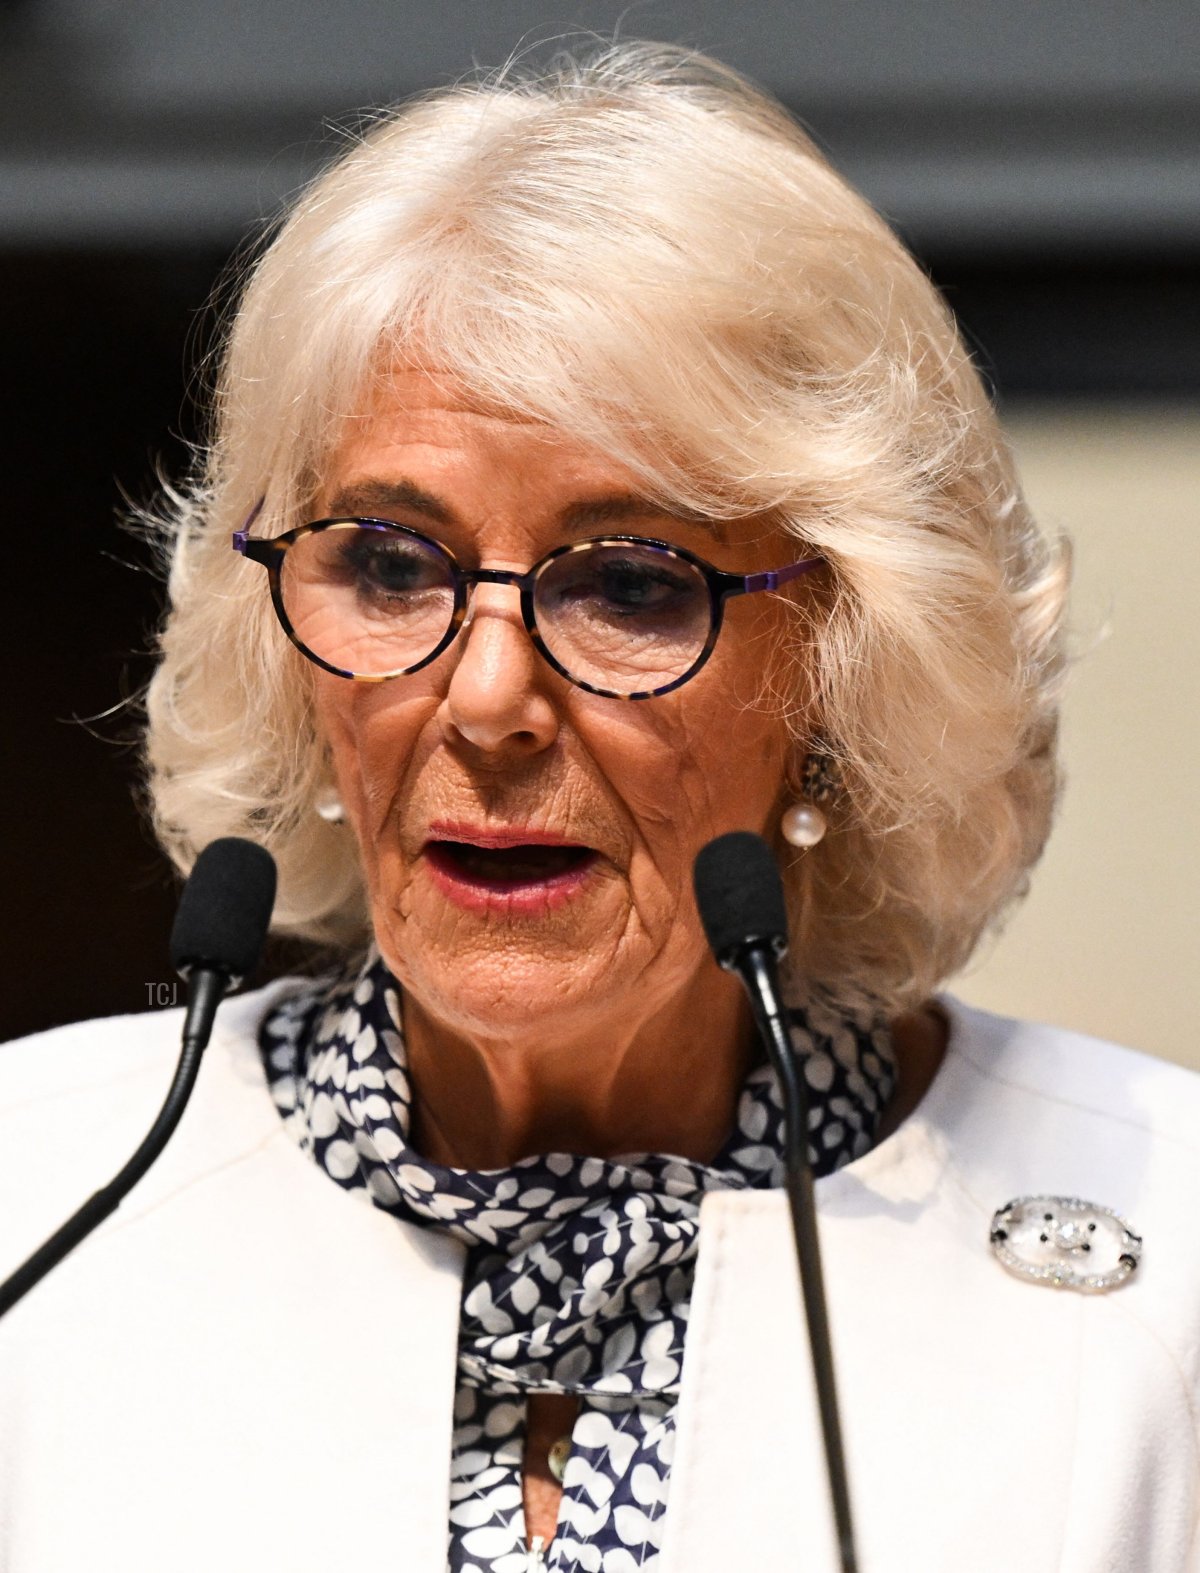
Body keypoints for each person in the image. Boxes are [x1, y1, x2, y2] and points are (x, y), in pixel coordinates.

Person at [1, 41, 1197, 1573]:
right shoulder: (43, 1211)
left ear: (841, 673)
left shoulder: (1164, 1270)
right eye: (388, 562)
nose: (487, 696)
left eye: (630, 581)